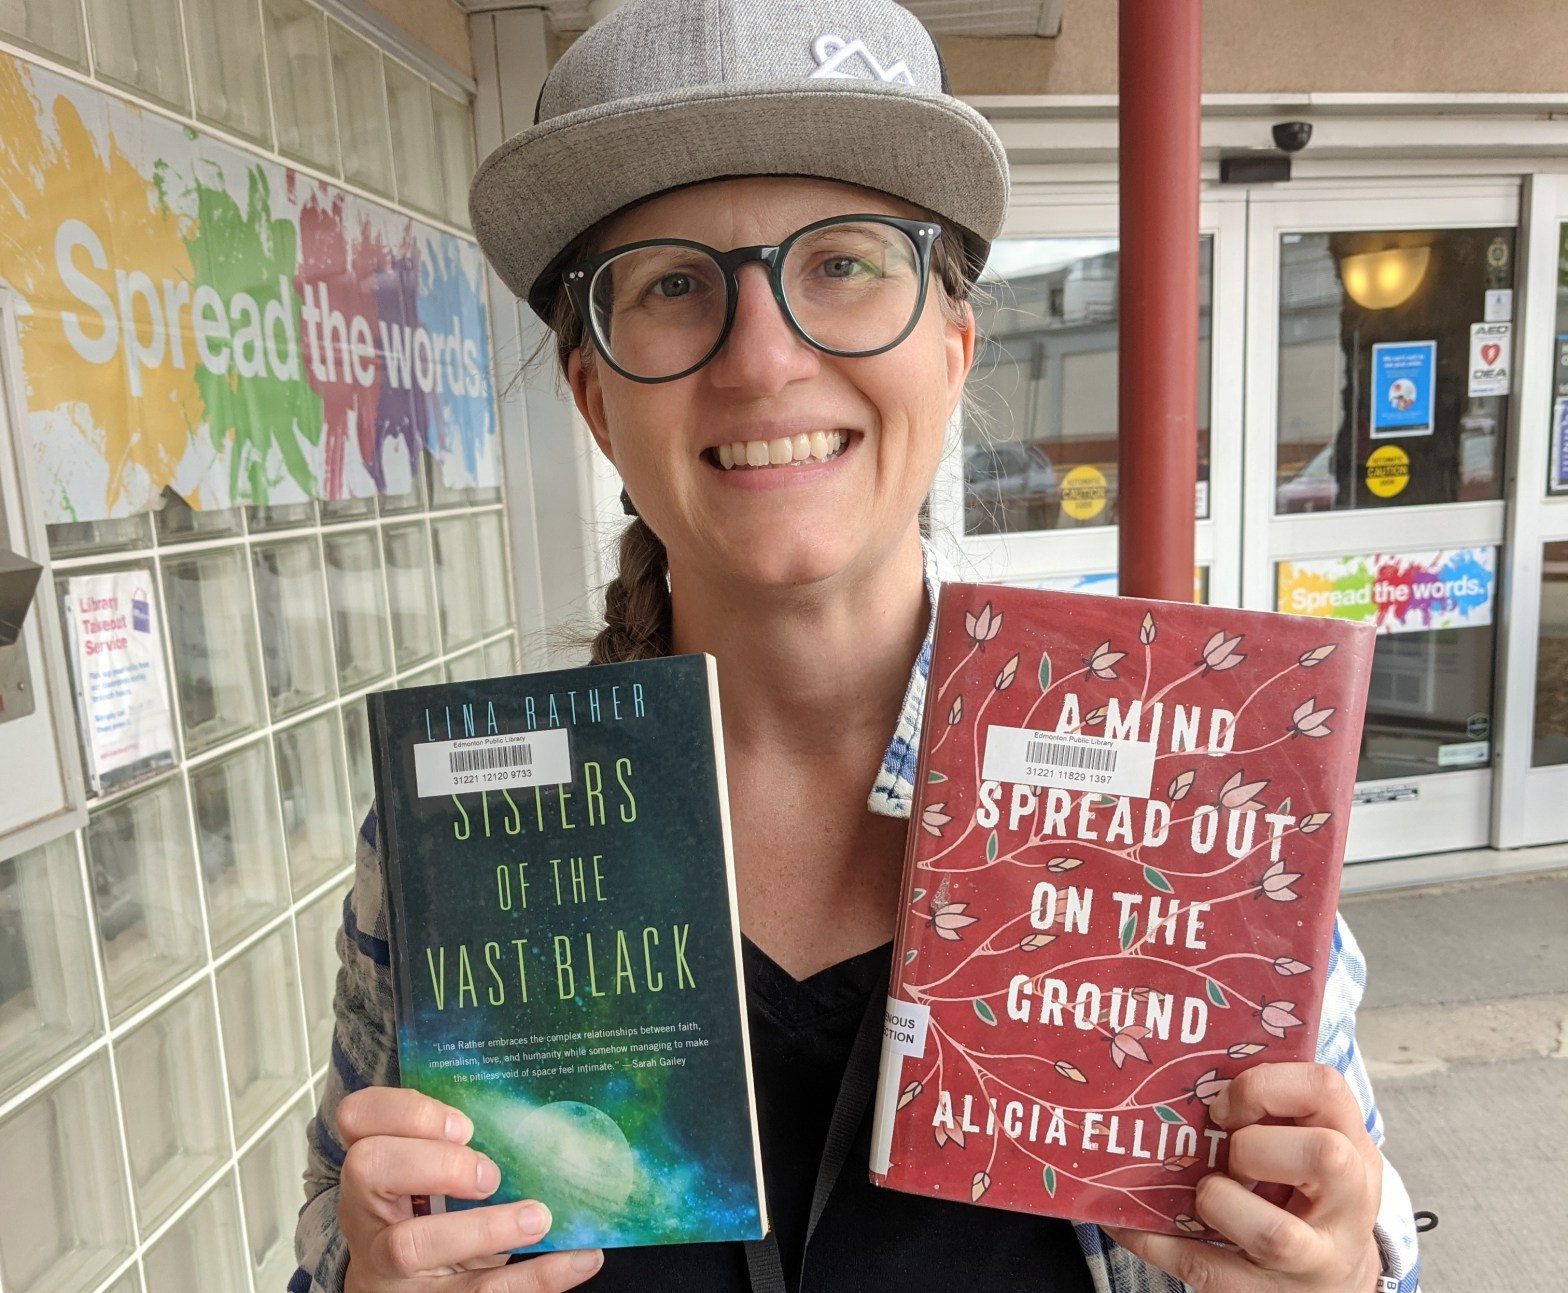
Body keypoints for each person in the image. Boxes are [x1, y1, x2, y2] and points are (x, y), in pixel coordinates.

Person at [293, 1, 1423, 1290]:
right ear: (597, 401)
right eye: (672, 285)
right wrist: (365, 1274)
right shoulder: (461, 847)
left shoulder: (1197, 800)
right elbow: (335, 1231)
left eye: (842, 262)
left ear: (951, 351)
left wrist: (1340, 1272)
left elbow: (1356, 1239)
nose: (765, 359)